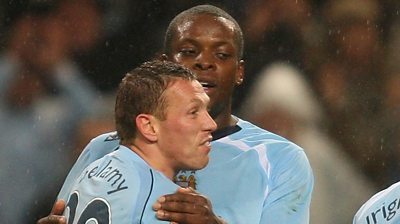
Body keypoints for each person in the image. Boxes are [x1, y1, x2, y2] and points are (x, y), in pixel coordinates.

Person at [38, 4, 313, 224]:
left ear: (240, 72)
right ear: (164, 64)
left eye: (221, 54)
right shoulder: (104, 147)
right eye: (189, 51)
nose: (205, 62)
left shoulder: (280, 159)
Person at [61, 59, 217, 223]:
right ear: (149, 126)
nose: (211, 124)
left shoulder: (92, 168)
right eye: (193, 112)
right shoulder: (167, 207)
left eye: (207, 110)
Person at [240, 62, 376, 224]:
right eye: (269, 116)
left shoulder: (316, 152)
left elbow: (358, 197)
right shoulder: (250, 153)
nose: (276, 125)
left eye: (281, 116)